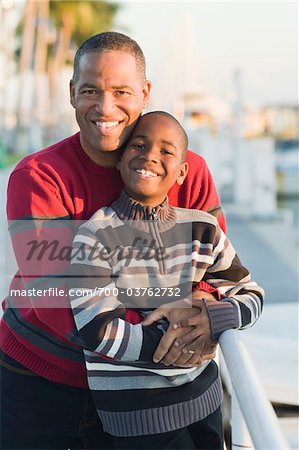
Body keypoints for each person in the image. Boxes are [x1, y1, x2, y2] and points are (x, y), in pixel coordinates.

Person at [1, 32, 226, 449]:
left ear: (145, 93)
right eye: (91, 90)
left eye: (121, 91)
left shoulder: (188, 171)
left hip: (152, 389)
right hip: (47, 384)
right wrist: (168, 342)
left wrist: (208, 311)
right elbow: (57, 298)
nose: (106, 107)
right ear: (72, 93)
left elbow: (212, 272)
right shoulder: (40, 177)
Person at [69, 111, 264, 450]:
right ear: (119, 159)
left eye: (166, 151)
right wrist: (175, 344)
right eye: (139, 145)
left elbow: (250, 293)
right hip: (138, 419)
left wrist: (212, 318)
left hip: (205, 404)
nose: (149, 156)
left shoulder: (203, 229)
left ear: (182, 172)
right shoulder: (95, 236)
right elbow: (96, 329)